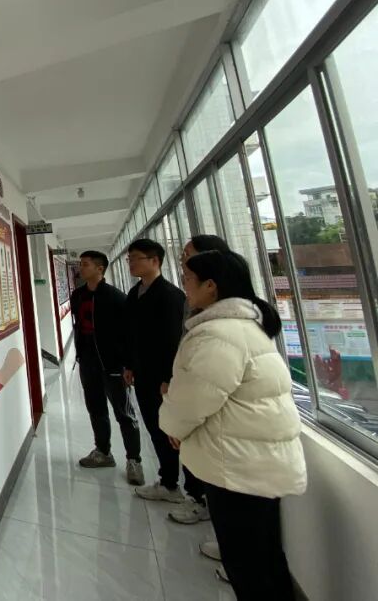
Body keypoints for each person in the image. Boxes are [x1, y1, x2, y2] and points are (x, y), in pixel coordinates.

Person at [160, 250, 306, 599]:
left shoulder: (218, 335)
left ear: (211, 286)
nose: (184, 285)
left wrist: (173, 426)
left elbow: (195, 399)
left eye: (188, 279)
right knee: (266, 559)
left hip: (237, 464)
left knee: (248, 566)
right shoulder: (243, 326)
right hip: (253, 458)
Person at [168, 234, 233, 526]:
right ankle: (199, 499)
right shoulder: (195, 305)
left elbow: (210, 381)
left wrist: (179, 421)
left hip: (222, 417)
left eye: (188, 255)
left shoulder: (225, 324)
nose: (183, 261)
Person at [71, 250, 144, 485]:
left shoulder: (115, 297)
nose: (81, 268)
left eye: (85, 264)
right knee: (96, 408)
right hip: (88, 362)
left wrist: (128, 364)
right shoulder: (78, 295)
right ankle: (103, 451)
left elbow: (129, 334)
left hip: (112, 364)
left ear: (100, 268)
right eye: (81, 264)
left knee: (124, 413)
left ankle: (134, 460)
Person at [122, 239, 187, 502]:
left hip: (163, 379)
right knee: (155, 427)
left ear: (155, 261)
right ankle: (169, 481)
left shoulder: (171, 296)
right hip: (142, 373)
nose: (131, 263)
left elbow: (174, 341)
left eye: (136, 258)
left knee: (169, 431)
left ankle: (184, 488)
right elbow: (130, 334)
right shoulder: (134, 293)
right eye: (129, 259)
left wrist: (168, 378)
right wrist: (129, 365)